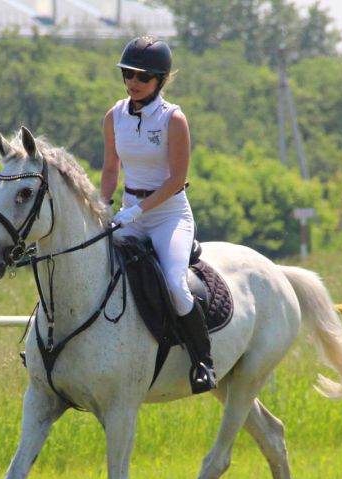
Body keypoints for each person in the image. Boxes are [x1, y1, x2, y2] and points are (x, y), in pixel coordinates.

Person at [100, 36, 217, 394]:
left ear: (160, 81)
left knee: (175, 286)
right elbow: (109, 171)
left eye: (143, 77)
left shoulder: (173, 119)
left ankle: (202, 363)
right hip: (128, 213)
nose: (133, 82)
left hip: (168, 216)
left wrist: (137, 211)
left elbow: (176, 179)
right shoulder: (114, 116)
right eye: (128, 74)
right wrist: (102, 209)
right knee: (90, 267)